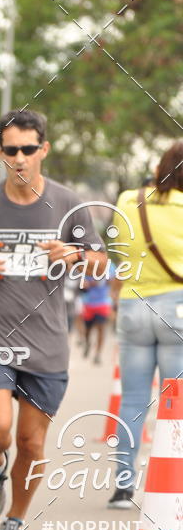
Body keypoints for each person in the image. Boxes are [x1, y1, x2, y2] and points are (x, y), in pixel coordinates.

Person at [0, 109, 106, 530]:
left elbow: (101, 265)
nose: (19, 158)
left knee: (31, 442)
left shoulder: (68, 203)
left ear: (44, 150)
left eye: (28, 149)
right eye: (10, 150)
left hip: (46, 342)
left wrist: (74, 255)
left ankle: (15, 521)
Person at [107, 141, 183, 509]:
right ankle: (173, 484)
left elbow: (119, 253)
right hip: (177, 309)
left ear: (159, 167)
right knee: (175, 401)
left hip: (133, 305)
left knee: (133, 400)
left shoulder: (127, 201)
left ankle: (123, 487)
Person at [81, 268, 114, 364]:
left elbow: (113, 281)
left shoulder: (110, 267)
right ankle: (87, 343)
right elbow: (83, 285)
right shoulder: (87, 266)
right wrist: (90, 283)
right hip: (88, 303)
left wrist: (106, 280)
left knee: (101, 329)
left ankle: (98, 354)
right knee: (87, 330)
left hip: (103, 303)